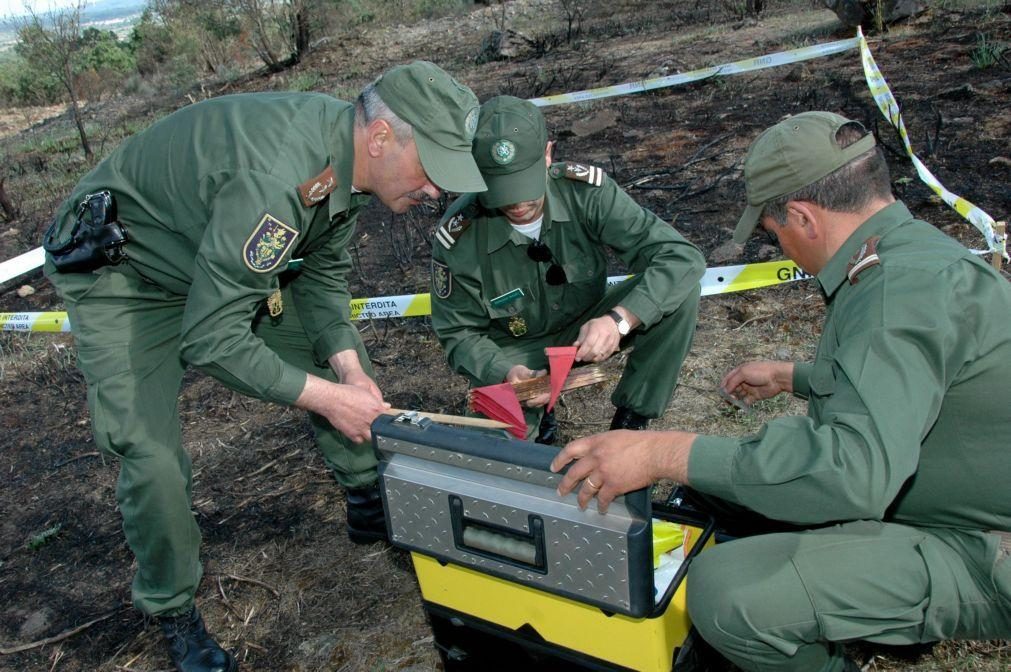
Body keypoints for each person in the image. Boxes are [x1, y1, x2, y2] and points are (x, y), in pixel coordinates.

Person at [42, 61, 485, 672]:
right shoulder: (279, 179)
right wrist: (329, 399)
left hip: (215, 253)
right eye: (433, 169)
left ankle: (364, 498)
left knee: (330, 357)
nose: (437, 191)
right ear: (381, 139)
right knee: (150, 457)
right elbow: (211, 338)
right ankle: (173, 609)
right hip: (126, 271)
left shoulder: (347, 165)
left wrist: (349, 372)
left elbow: (323, 278)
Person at [551, 111, 1011, 671]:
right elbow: (916, 381)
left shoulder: (892, 295)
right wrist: (796, 376)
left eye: (775, 235)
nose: (783, 250)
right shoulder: (907, 253)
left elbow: (852, 475)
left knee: (729, 591)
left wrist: (662, 453)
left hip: (985, 544)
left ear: (802, 217)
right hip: (957, 495)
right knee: (738, 488)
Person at [430, 95, 704, 442]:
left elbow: (681, 257)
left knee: (679, 295)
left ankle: (630, 425)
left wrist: (619, 320)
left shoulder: (585, 193)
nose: (517, 203)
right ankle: (537, 428)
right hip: (514, 349)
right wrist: (505, 372)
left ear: (548, 154)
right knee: (494, 447)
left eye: (525, 184)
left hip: (588, 326)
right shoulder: (460, 235)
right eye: (502, 190)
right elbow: (458, 332)